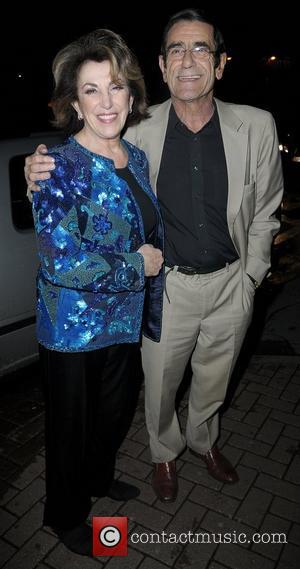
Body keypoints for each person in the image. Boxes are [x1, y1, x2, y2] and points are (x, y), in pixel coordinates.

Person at [25, 9, 284, 504]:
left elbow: (267, 208)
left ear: (221, 63)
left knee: (215, 381)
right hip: (168, 287)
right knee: (160, 388)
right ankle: (164, 455)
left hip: (232, 284)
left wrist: (251, 276)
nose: (189, 61)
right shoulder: (137, 132)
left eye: (201, 49)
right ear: (162, 67)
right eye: (176, 51)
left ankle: (204, 442)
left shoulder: (256, 125)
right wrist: (36, 170)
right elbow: (79, 156)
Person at [29, 28, 164, 556]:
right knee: (69, 427)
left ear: (131, 95)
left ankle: (97, 478)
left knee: (112, 412)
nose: (106, 102)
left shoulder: (137, 157)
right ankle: (62, 517)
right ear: (74, 103)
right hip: (71, 327)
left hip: (123, 321)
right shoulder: (57, 167)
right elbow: (61, 262)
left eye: (115, 87)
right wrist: (137, 264)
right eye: (91, 90)